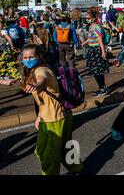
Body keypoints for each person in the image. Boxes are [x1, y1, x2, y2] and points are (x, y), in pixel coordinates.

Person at [20, 44, 84, 175]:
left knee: (49, 154)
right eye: (25, 57)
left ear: (39, 56)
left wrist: (36, 85)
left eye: (31, 57)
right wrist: (39, 116)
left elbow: (41, 80)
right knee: (64, 146)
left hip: (54, 119)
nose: (27, 60)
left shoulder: (40, 71)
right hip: (59, 115)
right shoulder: (40, 68)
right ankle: (77, 169)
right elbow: (44, 99)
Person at [83, 10, 111, 97]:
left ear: (93, 18)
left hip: (96, 50)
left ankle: (102, 88)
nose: (87, 20)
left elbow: (100, 39)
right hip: (92, 49)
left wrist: (103, 51)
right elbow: (91, 37)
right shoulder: (91, 26)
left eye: (88, 18)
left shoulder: (96, 27)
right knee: (95, 71)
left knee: (97, 71)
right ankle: (102, 88)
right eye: (86, 18)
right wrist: (85, 42)